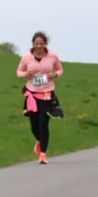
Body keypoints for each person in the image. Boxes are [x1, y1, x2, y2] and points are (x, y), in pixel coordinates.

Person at [17, 31, 63, 164]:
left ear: (45, 44)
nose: (39, 46)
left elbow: (60, 70)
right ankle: (39, 141)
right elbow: (18, 72)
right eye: (36, 43)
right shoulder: (26, 56)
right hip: (32, 93)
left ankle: (43, 154)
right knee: (33, 125)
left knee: (44, 124)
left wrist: (55, 74)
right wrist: (26, 73)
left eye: (41, 43)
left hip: (47, 94)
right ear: (33, 44)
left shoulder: (52, 56)